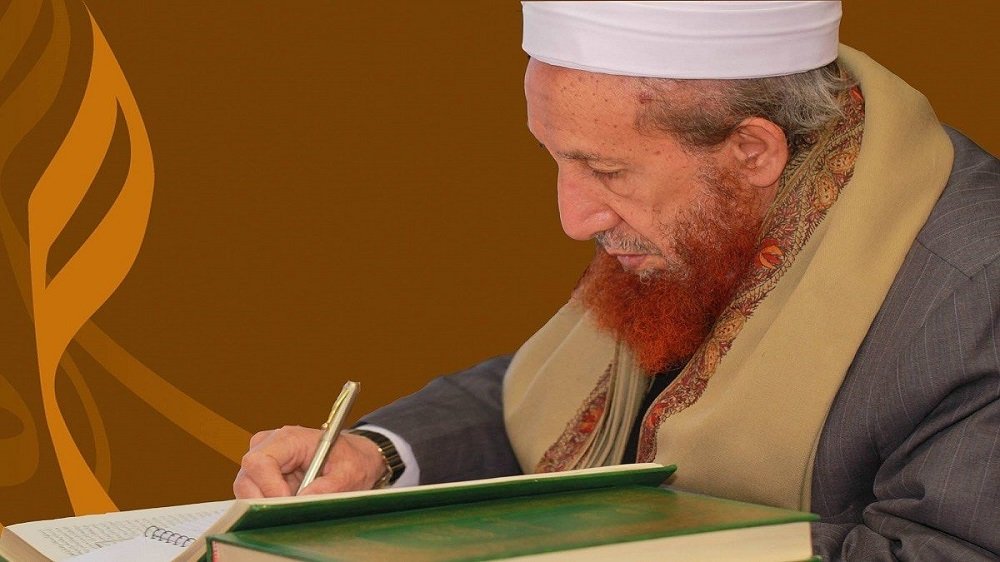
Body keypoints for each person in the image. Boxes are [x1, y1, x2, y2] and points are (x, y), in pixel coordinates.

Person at [233, 2, 1000, 559]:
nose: (573, 217)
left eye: (604, 170)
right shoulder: (708, 210)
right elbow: (557, 395)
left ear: (753, 151)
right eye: (555, 157)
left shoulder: (973, 289)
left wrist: (607, 540)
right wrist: (379, 456)